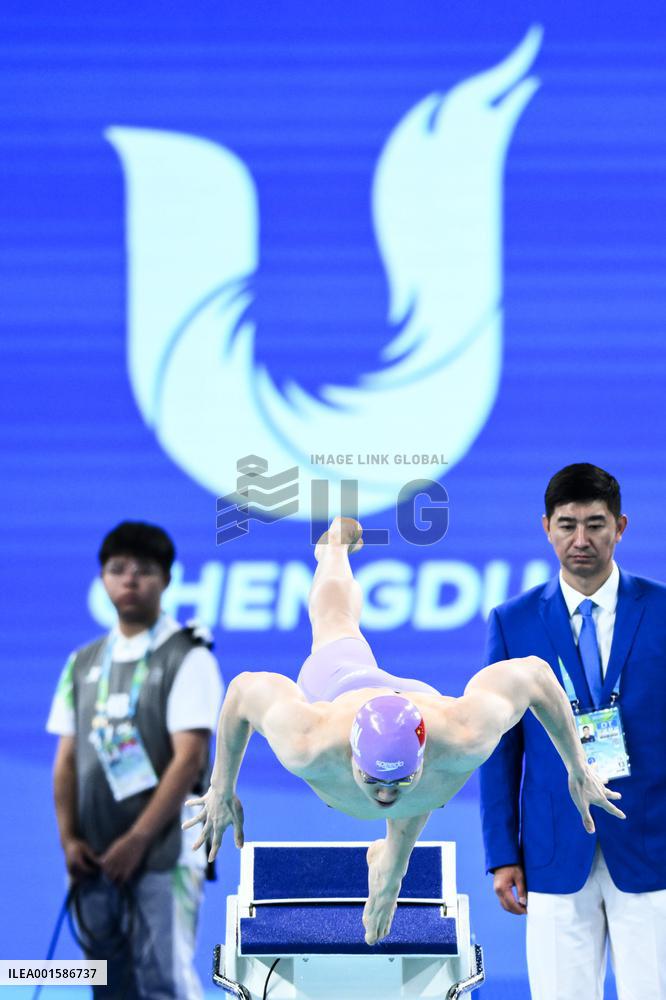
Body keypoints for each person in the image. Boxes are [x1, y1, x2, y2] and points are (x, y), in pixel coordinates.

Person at [185, 516, 623, 947]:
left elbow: (536, 676)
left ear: (422, 756)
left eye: (400, 780)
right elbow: (242, 692)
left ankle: (393, 859)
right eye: (374, 780)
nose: (385, 795)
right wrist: (221, 787)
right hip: (342, 683)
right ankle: (333, 548)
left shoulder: (462, 733)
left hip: (420, 704)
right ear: (353, 758)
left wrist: (577, 765)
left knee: (425, 794)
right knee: (334, 621)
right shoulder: (308, 739)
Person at [479, 463, 666, 1000]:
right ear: (546, 527)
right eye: (567, 525)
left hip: (651, 845)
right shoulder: (513, 622)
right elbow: (498, 749)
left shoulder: (659, 610)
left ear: (621, 526)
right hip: (554, 849)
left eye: (595, 524)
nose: (581, 540)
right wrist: (502, 853)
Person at [47, 521, 224, 1000]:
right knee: (106, 988)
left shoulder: (188, 657)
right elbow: (65, 761)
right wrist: (69, 841)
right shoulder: (82, 663)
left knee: (164, 983)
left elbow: (189, 760)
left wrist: (138, 839)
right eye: (117, 569)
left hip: (163, 855)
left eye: (144, 570)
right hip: (95, 858)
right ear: (102, 579)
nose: (129, 580)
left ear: (166, 579)